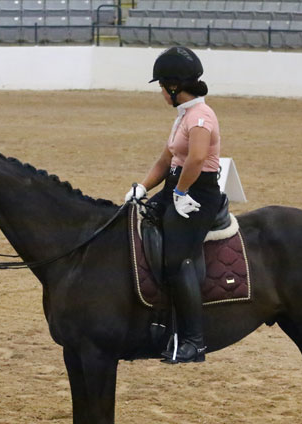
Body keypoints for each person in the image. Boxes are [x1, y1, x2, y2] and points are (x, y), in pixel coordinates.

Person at [124, 46, 223, 364]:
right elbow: (168, 158)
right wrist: (142, 186)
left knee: (177, 257)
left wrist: (181, 194)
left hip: (199, 193)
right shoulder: (184, 116)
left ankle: (194, 341)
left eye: (162, 87)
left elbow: (196, 158)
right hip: (177, 186)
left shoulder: (201, 117)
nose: (161, 94)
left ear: (173, 87)